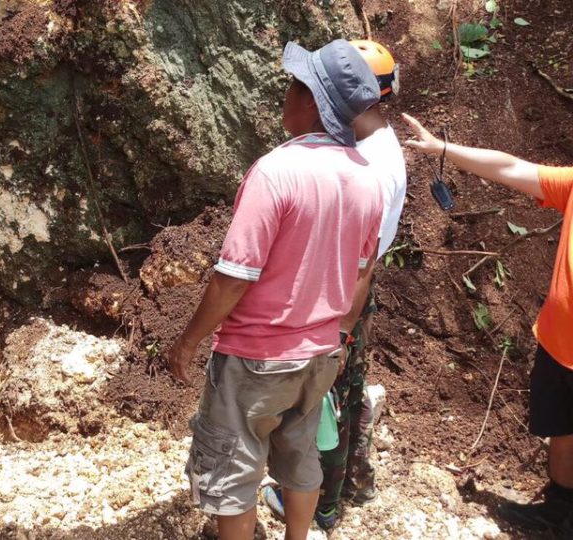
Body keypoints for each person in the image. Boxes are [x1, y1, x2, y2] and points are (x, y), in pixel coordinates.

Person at [164, 39, 383, 540]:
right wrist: (341, 334)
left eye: (293, 85)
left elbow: (233, 276)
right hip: (319, 353)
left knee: (234, 473)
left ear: (311, 102)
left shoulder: (276, 171)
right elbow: (361, 273)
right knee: (300, 455)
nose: (284, 94)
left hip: (257, 356)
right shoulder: (368, 181)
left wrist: (189, 340)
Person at [403, 113, 573, 536]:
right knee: (563, 431)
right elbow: (511, 168)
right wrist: (444, 149)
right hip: (557, 342)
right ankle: (559, 509)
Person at [262, 39, 407, 530]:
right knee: (342, 391)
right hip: (346, 292)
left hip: (342, 297)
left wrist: (339, 330)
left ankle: (322, 501)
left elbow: (361, 260)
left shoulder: (372, 165)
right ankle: (345, 484)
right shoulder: (375, 144)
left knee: (328, 400)